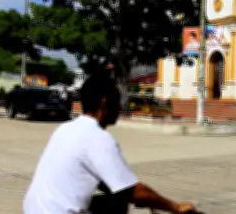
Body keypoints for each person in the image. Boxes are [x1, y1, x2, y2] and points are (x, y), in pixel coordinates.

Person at [23, 74, 197, 214]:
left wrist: (143, 198)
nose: (119, 108)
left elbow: (110, 184)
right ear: (104, 103)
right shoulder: (98, 138)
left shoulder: (65, 129)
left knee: (114, 201)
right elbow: (133, 191)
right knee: (119, 202)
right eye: (117, 101)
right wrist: (174, 207)